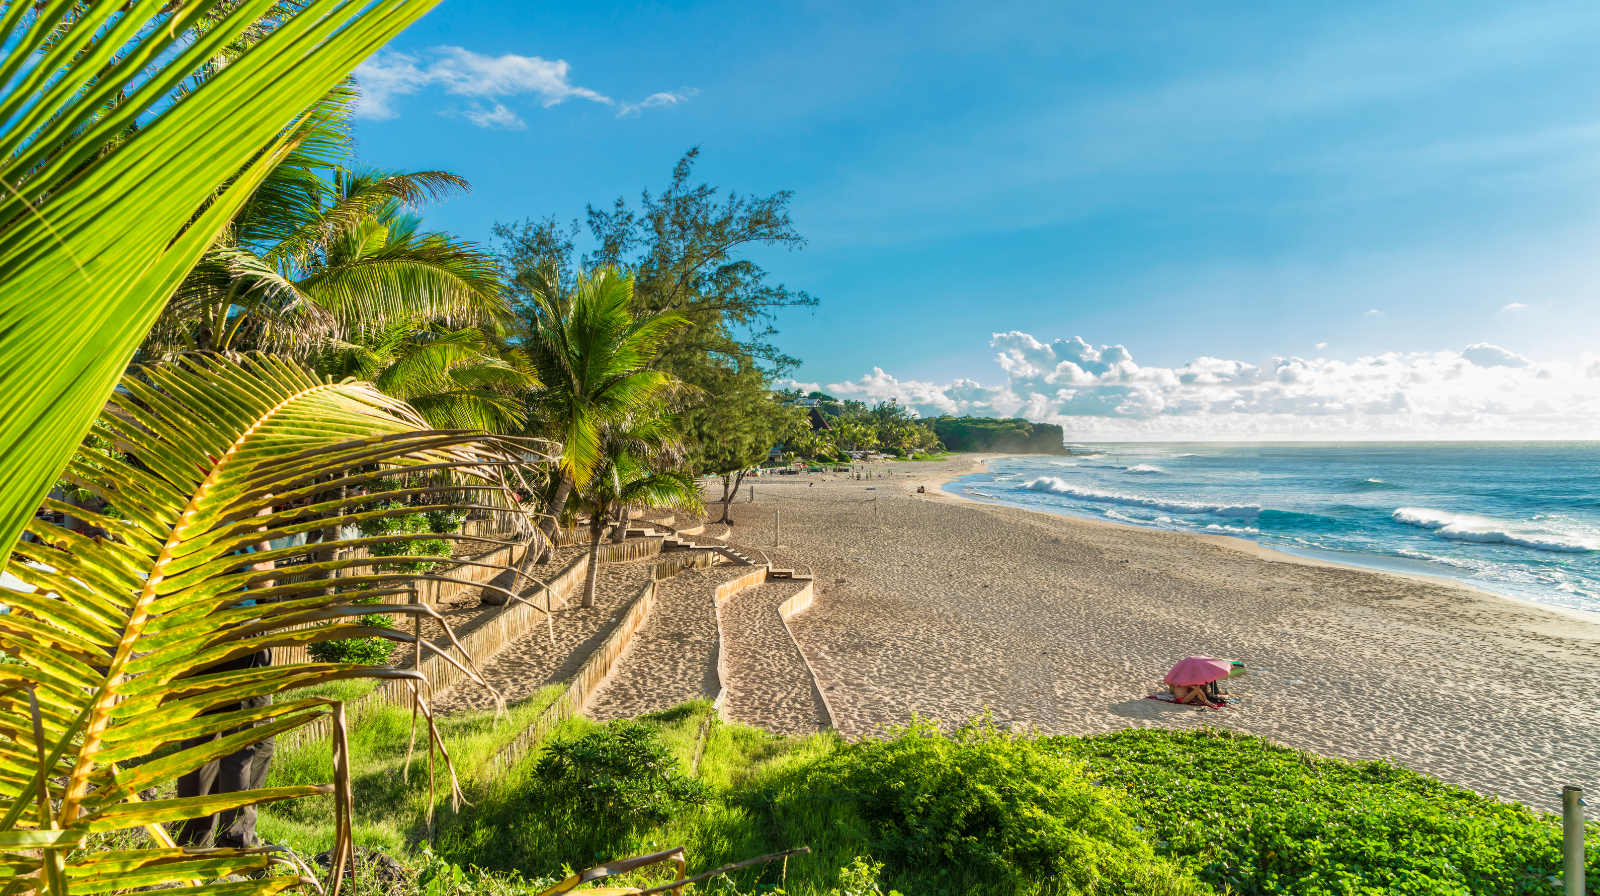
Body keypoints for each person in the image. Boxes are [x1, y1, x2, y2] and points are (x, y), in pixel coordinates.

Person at [176, 506, 277, 849]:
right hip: (238, 640)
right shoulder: (241, 526)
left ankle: (193, 840)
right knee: (249, 743)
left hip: (194, 641)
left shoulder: (193, 519)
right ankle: (234, 842)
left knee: (199, 744)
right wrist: (260, 534)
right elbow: (265, 582)